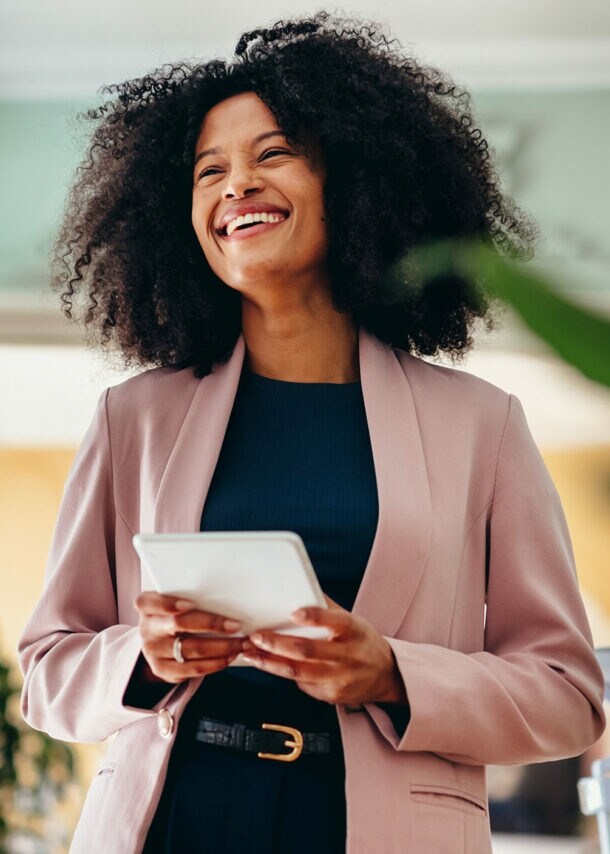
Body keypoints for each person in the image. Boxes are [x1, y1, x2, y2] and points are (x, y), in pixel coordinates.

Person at [18, 13, 605, 854]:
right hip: (175, 819)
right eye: (207, 170)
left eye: (273, 154)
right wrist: (145, 657)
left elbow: (567, 695)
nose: (235, 186)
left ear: (358, 184)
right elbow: (46, 672)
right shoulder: (132, 420)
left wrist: (395, 674)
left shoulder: (481, 426)